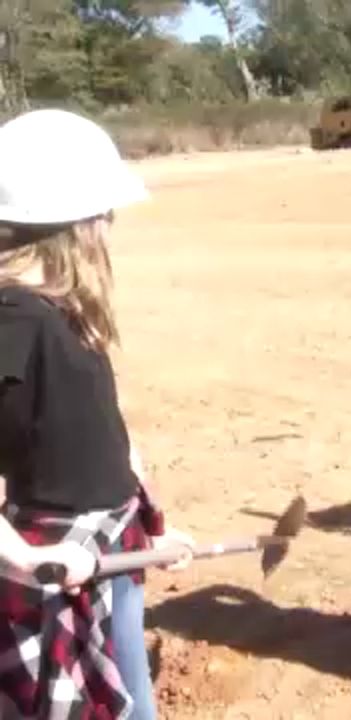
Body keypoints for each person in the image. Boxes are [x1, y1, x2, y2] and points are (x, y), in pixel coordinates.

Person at [0, 108, 195, 719]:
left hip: (110, 549)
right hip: (59, 565)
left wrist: (150, 528)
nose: (109, 225)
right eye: (103, 213)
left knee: (131, 699)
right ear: (75, 225)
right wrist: (24, 558)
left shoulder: (65, 311)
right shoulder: (16, 321)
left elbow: (100, 430)